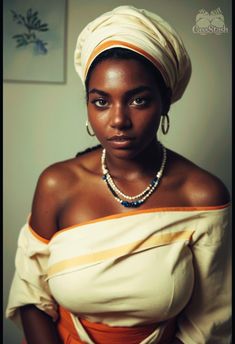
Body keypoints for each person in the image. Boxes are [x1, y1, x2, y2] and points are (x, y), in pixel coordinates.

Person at [6, 5, 231, 344]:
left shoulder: (203, 196)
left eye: (138, 101)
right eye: (100, 102)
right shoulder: (57, 185)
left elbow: (209, 323)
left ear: (165, 102)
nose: (118, 121)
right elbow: (31, 297)